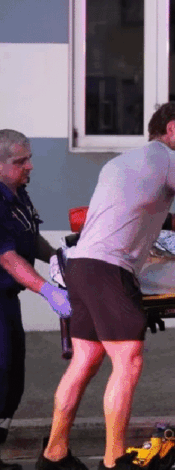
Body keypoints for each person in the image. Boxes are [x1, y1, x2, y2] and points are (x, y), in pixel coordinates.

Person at [37, 102, 175, 470]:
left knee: (84, 361)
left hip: (80, 267)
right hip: (108, 271)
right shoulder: (169, 160)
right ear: (170, 129)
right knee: (128, 361)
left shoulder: (119, 162)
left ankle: (54, 455)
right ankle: (114, 459)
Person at [0, 130, 72, 470]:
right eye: (20, 161)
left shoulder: (18, 194)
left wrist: (59, 257)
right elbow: (8, 258)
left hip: (7, 298)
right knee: (1, 369)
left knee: (13, 372)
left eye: (29, 158)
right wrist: (48, 290)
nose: (29, 166)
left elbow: (30, 236)